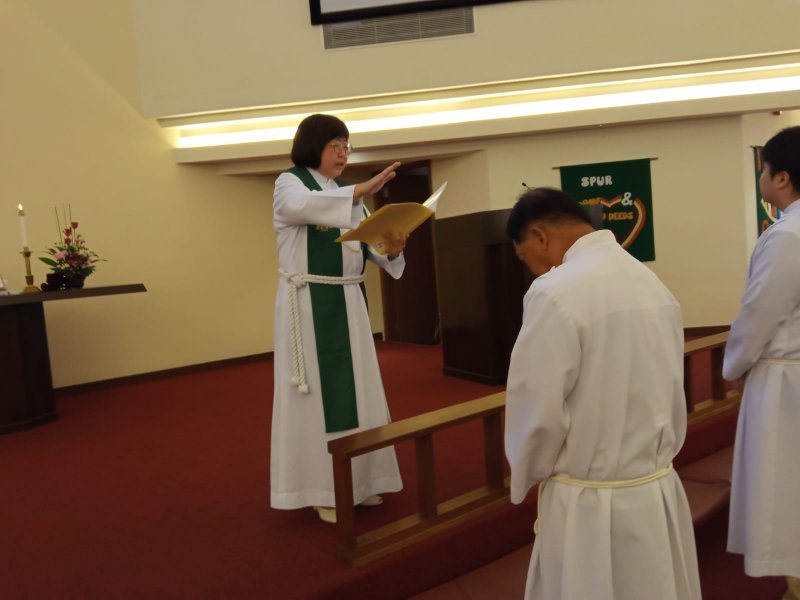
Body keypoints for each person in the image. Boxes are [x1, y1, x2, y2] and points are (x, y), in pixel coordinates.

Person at [503, 187, 701, 599]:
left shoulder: (554, 292)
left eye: (525, 258)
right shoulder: (650, 281)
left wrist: (527, 471)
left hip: (589, 504)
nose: (533, 270)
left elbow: (538, 408)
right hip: (655, 487)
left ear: (539, 236)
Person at [270, 113, 407, 523]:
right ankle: (323, 489)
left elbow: (369, 247)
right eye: (335, 145)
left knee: (360, 391)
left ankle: (362, 481)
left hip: (349, 303)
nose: (343, 153)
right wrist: (361, 191)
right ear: (313, 145)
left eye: (346, 145)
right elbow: (300, 207)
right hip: (310, 303)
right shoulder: (290, 182)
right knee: (317, 399)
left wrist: (393, 249)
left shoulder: (346, 193)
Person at [723, 126, 800, 600]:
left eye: (764, 170)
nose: (762, 179)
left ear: (782, 178)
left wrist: (734, 367)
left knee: (786, 487)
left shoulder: (788, 234)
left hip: (787, 384)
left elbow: (759, 313)